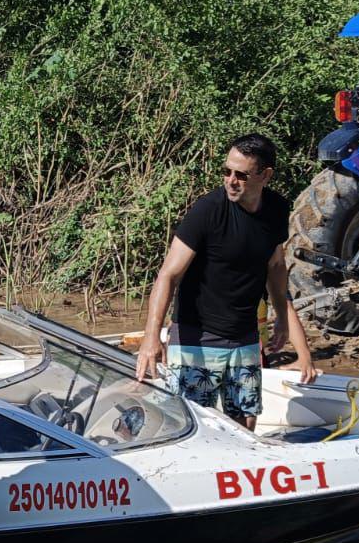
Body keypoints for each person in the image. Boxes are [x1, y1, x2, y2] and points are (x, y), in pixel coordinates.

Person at [134, 133, 317, 428]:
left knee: (245, 423)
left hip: (244, 337)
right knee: (193, 426)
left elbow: (275, 265)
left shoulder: (276, 209)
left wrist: (281, 315)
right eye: (226, 171)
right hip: (197, 338)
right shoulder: (208, 211)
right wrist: (150, 337)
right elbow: (169, 274)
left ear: (265, 175)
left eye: (241, 175)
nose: (230, 180)